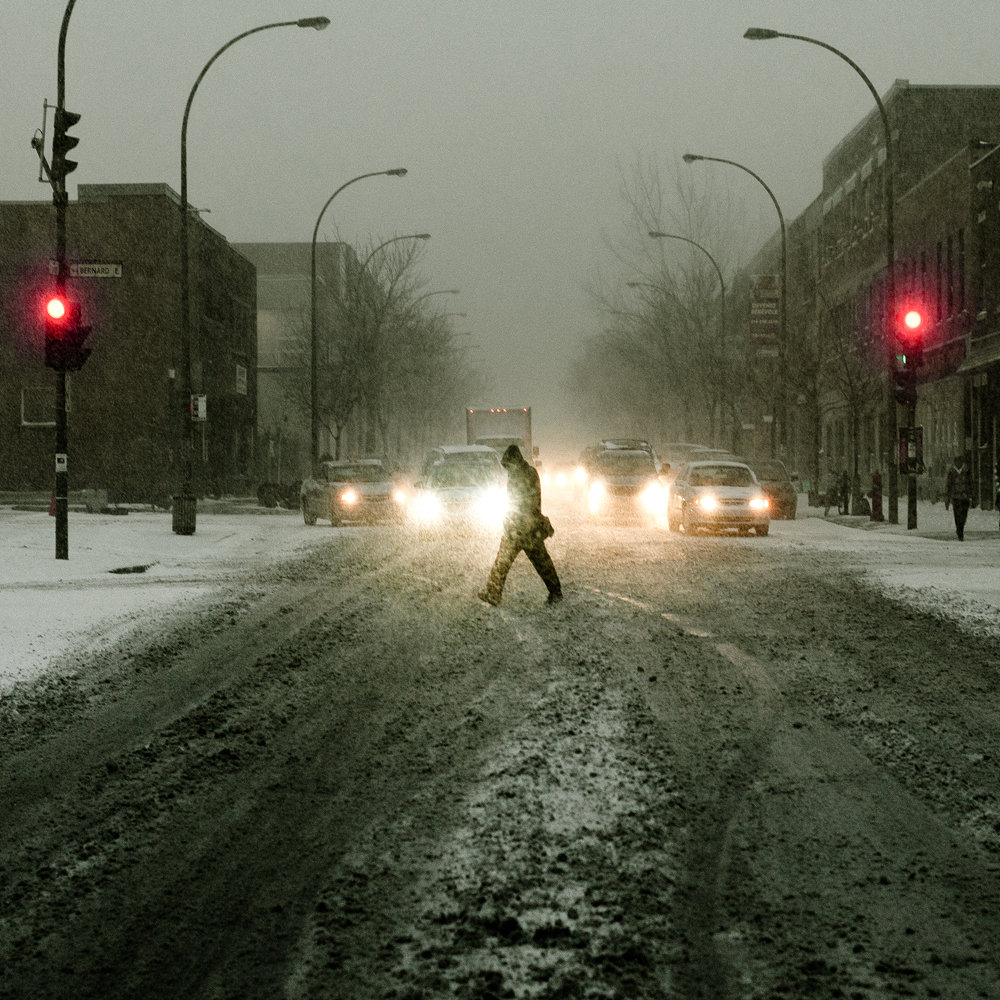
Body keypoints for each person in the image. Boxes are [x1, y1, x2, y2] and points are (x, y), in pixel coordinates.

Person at [479, 444, 562, 606]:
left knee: (504, 562)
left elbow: (523, 502)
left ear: (514, 461)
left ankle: (493, 594)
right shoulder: (526, 473)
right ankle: (555, 592)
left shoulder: (523, 475)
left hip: (521, 528)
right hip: (527, 528)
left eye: (508, 465)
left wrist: (514, 522)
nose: (507, 469)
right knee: (541, 562)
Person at [945, 453, 973, 541]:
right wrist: (947, 499)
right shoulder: (951, 472)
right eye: (957, 462)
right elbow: (948, 486)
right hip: (956, 497)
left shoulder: (967, 471)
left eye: (960, 462)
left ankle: (961, 528)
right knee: (957, 515)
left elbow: (971, 484)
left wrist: (972, 495)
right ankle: (959, 531)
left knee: (964, 515)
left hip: (965, 497)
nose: (958, 463)